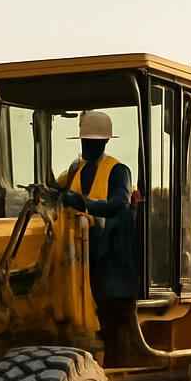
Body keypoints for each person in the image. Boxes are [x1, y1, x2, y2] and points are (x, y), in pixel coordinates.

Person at [55, 110, 142, 301]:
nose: (88, 146)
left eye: (93, 142)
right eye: (85, 141)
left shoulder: (118, 171)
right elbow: (58, 193)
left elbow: (119, 204)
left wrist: (84, 205)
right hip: (75, 257)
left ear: (105, 141)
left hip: (108, 259)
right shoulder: (75, 170)